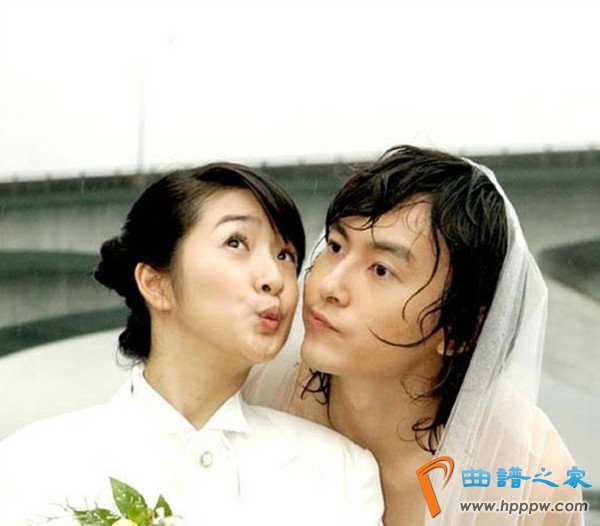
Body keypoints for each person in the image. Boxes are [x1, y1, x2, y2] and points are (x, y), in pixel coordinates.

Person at [0, 163, 384, 526]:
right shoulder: (32, 464)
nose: (274, 277)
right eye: (236, 242)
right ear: (156, 283)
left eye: (286, 255)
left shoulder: (341, 472)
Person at [243, 146, 585, 526]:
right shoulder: (254, 387)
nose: (329, 285)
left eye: (381, 270)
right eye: (336, 247)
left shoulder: (530, 480)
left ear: (458, 332)